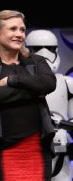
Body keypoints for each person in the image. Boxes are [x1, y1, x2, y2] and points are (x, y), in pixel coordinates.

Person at [0, 10, 56, 180]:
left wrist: (12, 80)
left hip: (37, 147)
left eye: (22, 30)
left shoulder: (36, 61)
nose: (19, 34)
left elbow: (49, 84)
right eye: (13, 29)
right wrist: (33, 90)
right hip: (1, 149)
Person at [26, 29, 73, 181]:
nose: (44, 54)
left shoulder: (67, 83)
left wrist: (62, 124)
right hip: (29, 149)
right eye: (36, 49)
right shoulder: (19, 82)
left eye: (50, 48)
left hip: (60, 149)